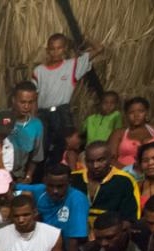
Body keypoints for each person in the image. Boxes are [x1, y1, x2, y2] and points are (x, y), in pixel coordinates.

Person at [33, 33, 102, 165]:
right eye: (52, 49)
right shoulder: (39, 71)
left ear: (65, 49)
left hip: (62, 112)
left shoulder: (72, 66)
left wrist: (86, 37)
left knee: (64, 147)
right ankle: (41, 178)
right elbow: (34, 96)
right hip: (43, 114)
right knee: (42, 148)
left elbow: (99, 49)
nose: (55, 52)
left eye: (59, 48)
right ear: (47, 50)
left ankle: (63, 177)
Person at [71, 141, 140, 226]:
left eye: (100, 160)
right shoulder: (73, 179)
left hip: (111, 234)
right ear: (85, 161)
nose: (95, 166)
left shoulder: (125, 181)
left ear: (111, 159)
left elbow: (130, 219)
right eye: (90, 161)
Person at [109, 97, 154, 170]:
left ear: (146, 112)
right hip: (125, 174)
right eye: (131, 112)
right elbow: (110, 159)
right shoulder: (118, 133)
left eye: (141, 111)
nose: (136, 115)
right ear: (126, 115)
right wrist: (130, 170)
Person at [8, 81, 44, 183]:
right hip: (0, 174)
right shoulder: (3, 119)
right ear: (14, 100)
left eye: (30, 102)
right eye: (23, 102)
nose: (26, 106)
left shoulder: (37, 125)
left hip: (20, 177)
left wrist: (28, 176)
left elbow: (36, 156)